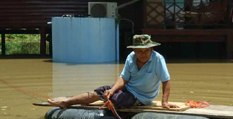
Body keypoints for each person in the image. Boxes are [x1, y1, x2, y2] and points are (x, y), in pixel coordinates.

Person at [47, 34, 179, 109]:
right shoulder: (131, 58)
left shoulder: (158, 59)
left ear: (151, 49)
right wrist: (112, 89)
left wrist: (164, 102)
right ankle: (67, 101)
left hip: (142, 97)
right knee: (102, 91)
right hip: (128, 88)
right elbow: (123, 78)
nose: (143, 54)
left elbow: (166, 81)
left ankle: (110, 102)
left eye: (146, 50)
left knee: (118, 99)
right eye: (139, 51)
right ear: (134, 50)